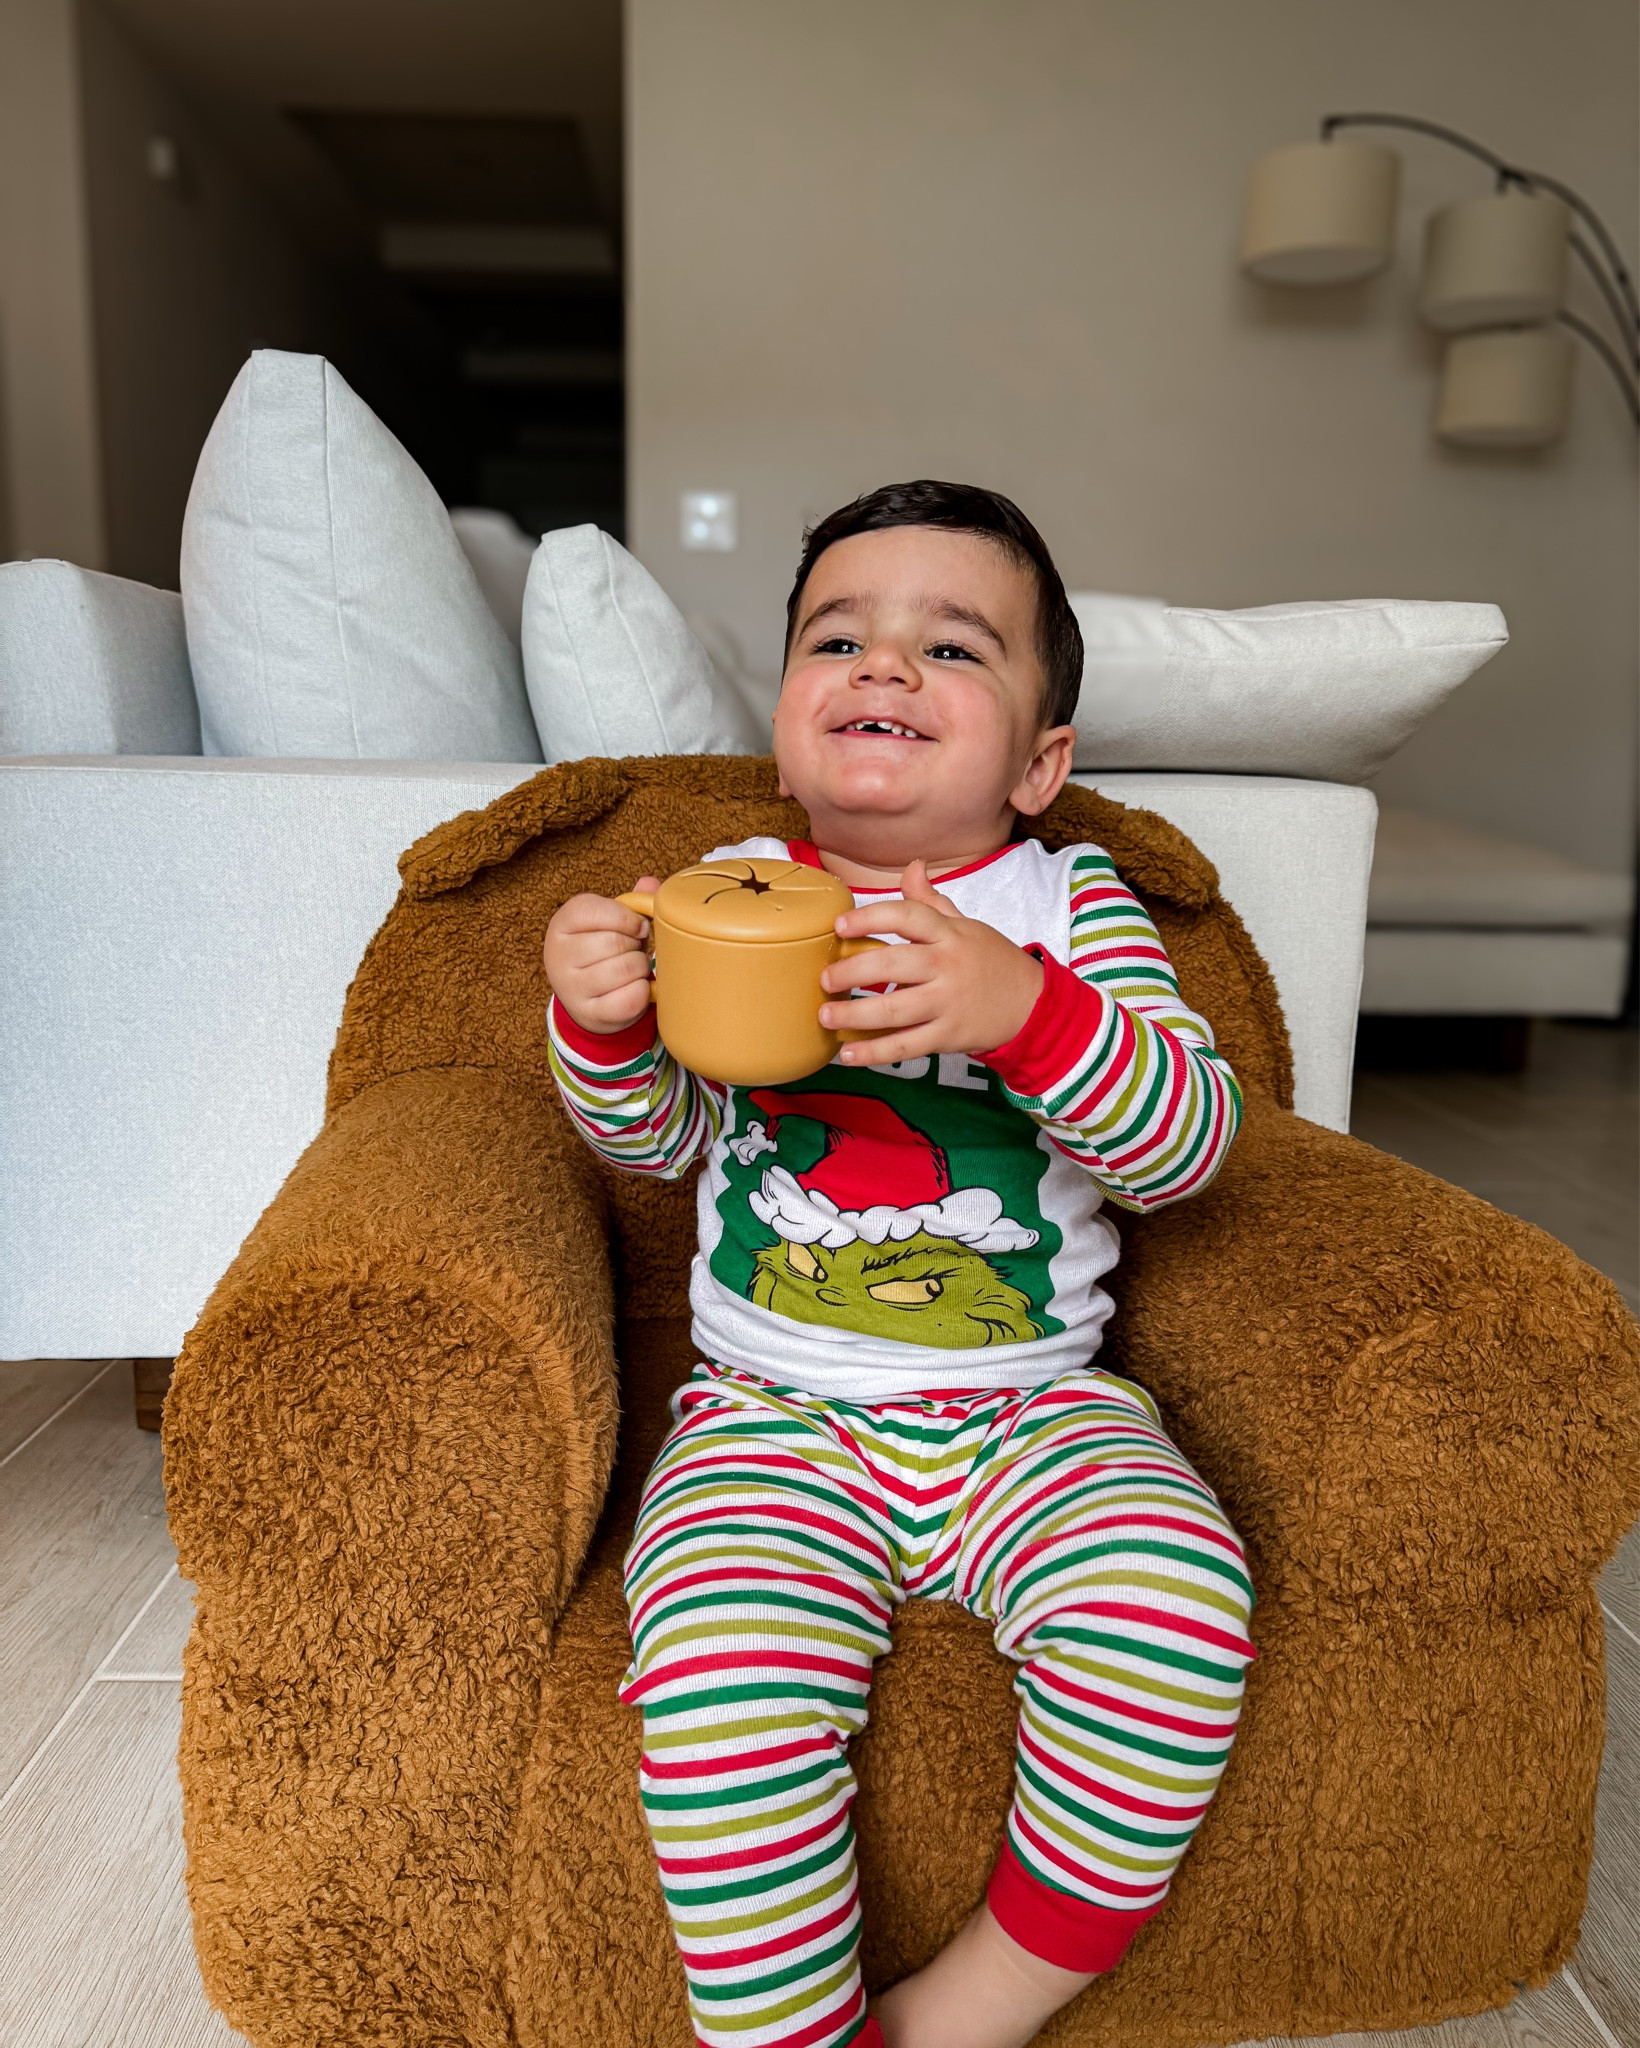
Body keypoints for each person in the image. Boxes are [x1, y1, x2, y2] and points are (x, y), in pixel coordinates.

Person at [543, 480, 1254, 2048]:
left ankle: (967, 2012)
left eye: (952, 648)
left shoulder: (1074, 907)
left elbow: (1190, 1143)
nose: (883, 669)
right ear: (787, 723)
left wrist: (1028, 1011)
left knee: (1182, 1613)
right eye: (838, 638)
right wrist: (604, 1024)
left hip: (1033, 1414)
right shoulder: (733, 890)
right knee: (716, 1690)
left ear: (1042, 760)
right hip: (769, 1421)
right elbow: (656, 1142)